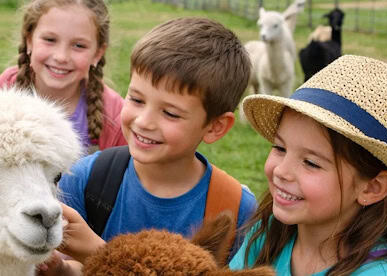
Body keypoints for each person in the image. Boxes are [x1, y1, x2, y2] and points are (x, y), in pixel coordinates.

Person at [52, 18, 258, 272]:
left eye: (170, 113)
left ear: (215, 126)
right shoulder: (84, 179)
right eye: (136, 99)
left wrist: (97, 252)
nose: (144, 121)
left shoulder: (236, 208)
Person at [230, 55, 387, 275]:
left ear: (373, 187)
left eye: (311, 163)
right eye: (280, 148)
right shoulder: (268, 232)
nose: (282, 171)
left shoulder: (381, 273)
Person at [0, 0, 126, 153]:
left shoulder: (115, 118)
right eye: (50, 40)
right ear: (29, 40)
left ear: (98, 53)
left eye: (79, 45)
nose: (61, 57)